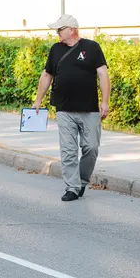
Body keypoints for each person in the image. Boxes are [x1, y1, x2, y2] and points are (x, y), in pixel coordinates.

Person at [32, 14, 110, 202]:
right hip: (64, 109)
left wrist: (105, 102)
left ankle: (81, 181)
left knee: (91, 148)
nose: (57, 33)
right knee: (68, 150)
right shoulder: (55, 49)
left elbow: (103, 75)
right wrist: (38, 100)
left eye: (60, 29)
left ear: (71, 30)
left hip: (89, 109)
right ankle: (72, 188)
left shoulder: (92, 47)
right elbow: (47, 75)